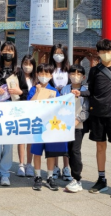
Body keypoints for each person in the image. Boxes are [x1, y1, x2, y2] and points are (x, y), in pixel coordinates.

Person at [75, 39, 111, 198]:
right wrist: (80, 93)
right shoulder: (94, 70)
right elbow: (90, 91)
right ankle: (101, 179)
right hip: (97, 115)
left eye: (109, 51)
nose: (106, 54)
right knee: (100, 146)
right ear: (98, 53)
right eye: (102, 51)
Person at [0, 40, 28, 186]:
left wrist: (19, 91)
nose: (7, 53)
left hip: (11, 111)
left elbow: (26, 92)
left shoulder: (19, 71)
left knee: (8, 145)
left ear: (14, 53)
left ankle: (5, 173)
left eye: (10, 51)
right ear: (1, 52)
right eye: (5, 50)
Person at [28, 63, 65, 191]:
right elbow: (29, 105)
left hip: (50, 126)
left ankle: (50, 176)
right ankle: (37, 176)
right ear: (37, 74)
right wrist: (37, 92)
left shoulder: (54, 91)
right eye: (41, 73)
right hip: (37, 125)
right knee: (37, 152)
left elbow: (59, 107)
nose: (44, 76)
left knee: (51, 153)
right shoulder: (33, 89)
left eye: (47, 73)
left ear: (51, 75)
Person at [61, 64, 89, 193]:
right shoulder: (65, 89)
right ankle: (70, 175)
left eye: (78, 74)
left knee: (75, 150)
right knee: (68, 150)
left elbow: (86, 109)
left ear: (83, 77)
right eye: (73, 73)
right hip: (65, 125)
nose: (75, 76)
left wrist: (78, 120)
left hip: (79, 126)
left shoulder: (85, 90)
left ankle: (77, 178)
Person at [49, 43, 71, 181]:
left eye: (61, 53)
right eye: (56, 53)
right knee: (55, 136)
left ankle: (66, 167)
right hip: (53, 107)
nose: (58, 56)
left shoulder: (69, 69)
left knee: (65, 137)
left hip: (66, 107)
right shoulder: (49, 69)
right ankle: (56, 167)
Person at [17, 55, 37, 178]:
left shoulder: (36, 79)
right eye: (25, 63)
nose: (27, 66)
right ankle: (21, 164)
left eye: (30, 64)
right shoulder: (17, 77)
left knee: (30, 138)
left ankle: (29, 164)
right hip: (20, 110)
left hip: (33, 111)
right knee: (21, 138)